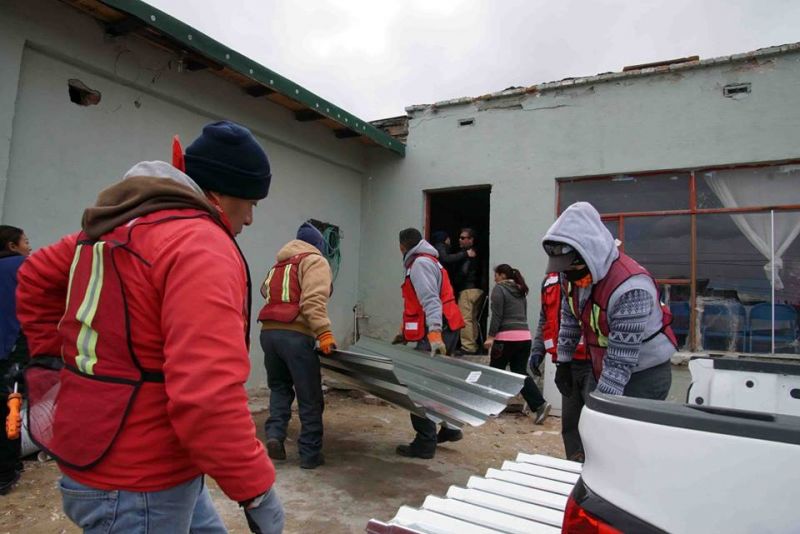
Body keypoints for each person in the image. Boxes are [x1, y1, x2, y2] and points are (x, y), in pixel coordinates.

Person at [15, 121, 284, 533]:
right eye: (248, 202)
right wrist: (257, 490)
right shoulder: (199, 245)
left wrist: (60, 363)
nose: (248, 218)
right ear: (215, 194)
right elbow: (206, 397)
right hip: (138, 483)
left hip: (129, 462)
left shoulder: (116, 228)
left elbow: (34, 275)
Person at [542, 201, 677, 403]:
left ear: (591, 253)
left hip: (643, 373)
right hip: (602, 364)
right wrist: (563, 362)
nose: (566, 275)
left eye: (571, 268)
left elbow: (621, 358)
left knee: (621, 430)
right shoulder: (572, 277)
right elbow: (569, 317)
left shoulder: (631, 288)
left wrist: (602, 405)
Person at [258, 220, 336, 470]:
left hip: (269, 334)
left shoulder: (279, 264)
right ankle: (310, 454)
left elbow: (264, 291)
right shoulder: (315, 261)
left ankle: (275, 436)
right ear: (318, 245)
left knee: (280, 388)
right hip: (295, 335)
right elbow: (312, 301)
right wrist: (324, 333)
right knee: (309, 395)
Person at [393, 228, 465, 459]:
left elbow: (430, 299)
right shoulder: (429, 261)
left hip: (437, 328)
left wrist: (434, 333)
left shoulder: (420, 264)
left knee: (417, 386)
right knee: (440, 382)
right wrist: (405, 332)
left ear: (402, 246)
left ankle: (424, 442)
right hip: (445, 325)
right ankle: (451, 428)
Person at [528, 272, 591, 462]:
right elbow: (544, 319)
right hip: (566, 362)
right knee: (570, 423)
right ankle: (574, 464)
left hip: (592, 361)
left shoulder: (585, 277)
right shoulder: (549, 281)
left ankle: (596, 472)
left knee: (595, 423)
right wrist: (538, 349)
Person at [484, 264, 551, 424]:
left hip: (505, 338)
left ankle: (492, 407)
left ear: (501, 275)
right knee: (519, 373)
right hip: (524, 337)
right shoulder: (520, 290)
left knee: (496, 372)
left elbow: (497, 315)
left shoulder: (499, 289)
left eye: (496, 275)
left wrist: (491, 337)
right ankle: (540, 404)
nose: (494, 279)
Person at [0, 226, 32, 494]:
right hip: (13, 345)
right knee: (10, 404)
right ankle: (6, 472)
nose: (29, 247)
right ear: (12, 246)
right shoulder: (22, 265)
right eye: (26, 241)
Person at [453, 227, 482, 355]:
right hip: (478, 289)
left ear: (471, 240)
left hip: (468, 289)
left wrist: (456, 282)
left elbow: (463, 272)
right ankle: (473, 345)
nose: (460, 240)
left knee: (465, 319)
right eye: (460, 237)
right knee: (473, 318)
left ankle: (468, 347)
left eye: (463, 237)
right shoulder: (478, 252)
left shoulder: (468, 254)